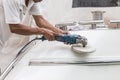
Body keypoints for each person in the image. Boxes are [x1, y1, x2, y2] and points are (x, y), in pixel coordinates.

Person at [0, 0, 68, 72]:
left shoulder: (33, 1)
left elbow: (40, 20)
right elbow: (14, 27)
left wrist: (61, 33)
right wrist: (42, 31)